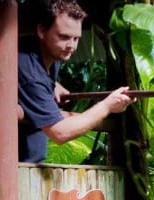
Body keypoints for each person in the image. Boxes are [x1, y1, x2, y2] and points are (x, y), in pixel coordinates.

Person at [18, 0, 136, 163]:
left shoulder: (47, 57)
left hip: (25, 166)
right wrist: (107, 106)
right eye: (64, 37)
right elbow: (60, 132)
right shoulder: (29, 72)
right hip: (11, 169)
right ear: (42, 31)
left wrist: (51, 85)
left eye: (76, 38)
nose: (71, 46)